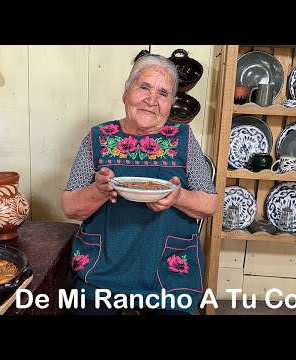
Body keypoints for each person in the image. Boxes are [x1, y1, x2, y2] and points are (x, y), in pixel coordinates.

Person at [61, 53, 218, 315]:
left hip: (169, 271)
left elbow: (209, 204)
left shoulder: (184, 139)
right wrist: (98, 191)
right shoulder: (97, 138)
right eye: (144, 87)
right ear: (126, 91)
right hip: (102, 269)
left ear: (171, 103)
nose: (152, 100)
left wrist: (177, 197)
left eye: (163, 93)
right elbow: (69, 206)